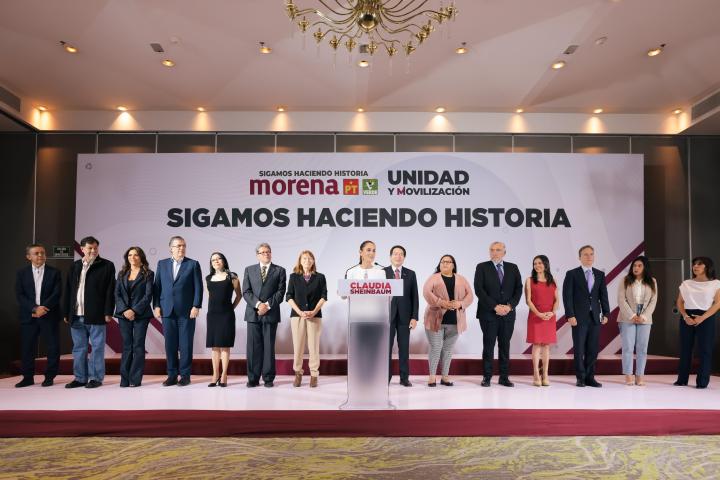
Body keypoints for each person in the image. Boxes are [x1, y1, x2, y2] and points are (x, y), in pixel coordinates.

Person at [64, 236, 116, 389]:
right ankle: (80, 378)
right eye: (90, 248)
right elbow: (68, 290)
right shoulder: (74, 266)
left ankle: (95, 378)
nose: (93, 251)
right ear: (82, 249)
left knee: (97, 348)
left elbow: (110, 291)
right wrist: (67, 312)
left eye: (95, 248)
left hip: (97, 315)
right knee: (78, 348)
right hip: (76, 315)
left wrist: (108, 311)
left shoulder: (107, 265)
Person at [153, 236, 203, 387]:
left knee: (186, 345)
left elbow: (198, 287)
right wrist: (156, 305)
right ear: (171, 248)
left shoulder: (193, 264)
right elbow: (157, 287)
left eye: (184, 245)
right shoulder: (162, 264)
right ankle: (172, 375)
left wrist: (196, 306)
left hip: (186, 312)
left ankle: (185, 376)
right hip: (167, 311)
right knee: (170, 345)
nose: (182, 248)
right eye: (178, 245)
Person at [474, 241, 523, 387]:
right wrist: (495, 306)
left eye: (498, 250)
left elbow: (518, 289)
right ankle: (487, 377)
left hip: (508, 314)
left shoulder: (513, 268)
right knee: (488, 346)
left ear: (504, 252)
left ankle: (504, 377)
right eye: (492, 250)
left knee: (505, 346)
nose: (494, 252)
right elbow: (479, 290)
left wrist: (510, 306)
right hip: (488, 314)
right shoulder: (482, 267)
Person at [14, 244, 62, 388]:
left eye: (42, 253)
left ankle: (49, 377)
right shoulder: (21, 273)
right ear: (28, 257)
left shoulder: (55, 272)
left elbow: (57, 293)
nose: (40, 255)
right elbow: (20, 295)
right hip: (29, 316)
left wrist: (43, 308)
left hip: (49, 315)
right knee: (27, 348)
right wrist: (35, 308)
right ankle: (28, 377)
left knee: (52, 347)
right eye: (36, 253)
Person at [562, 245, 610, 388]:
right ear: (579, 257)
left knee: (593, 349)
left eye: (591, 254)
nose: (589, 257)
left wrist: (606, 313)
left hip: (595, 317)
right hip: (578, 318)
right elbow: (567, 296)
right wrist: (570, 315)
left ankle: (590, 377)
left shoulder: (599, 274)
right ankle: (580, 377)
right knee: (579, 349)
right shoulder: (572, 274)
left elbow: (603, 295)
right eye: (585, 254)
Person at [423, 254, 474, 387]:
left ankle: (445, 377)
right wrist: (441, 303)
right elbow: (426, 292)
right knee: (435, 348)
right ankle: (432, 377)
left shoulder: (461, 279)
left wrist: (460, 303)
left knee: (448, 349)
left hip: (455, 321)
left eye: (448, 262)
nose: (445, 264)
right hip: (435, 319)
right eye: (442, 262)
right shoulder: (433, 278)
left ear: (453, 265)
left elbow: (470, 296)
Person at [242, 243, 287, 388]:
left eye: (268, 251)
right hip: (253, 313)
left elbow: (281, 292)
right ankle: (253, 378)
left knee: (268, 347)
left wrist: (266, 306)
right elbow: (246, 291)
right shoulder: (249, 270)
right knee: (253, 347)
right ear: (257, 255)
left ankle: (268, 378)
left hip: (270, 313)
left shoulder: (280, 270)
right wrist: (258, 305)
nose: (266, 254)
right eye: (262, 252)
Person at [675, 256, 720, 389]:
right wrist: (685, 316)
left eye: (699, 264)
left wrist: (702, 318)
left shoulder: (715, 283)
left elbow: (718, 303)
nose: (695, 266)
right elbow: (679, 302)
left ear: (707, 267)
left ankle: (702, 382)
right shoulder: (686, 283)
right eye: (694, 264)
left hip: (706, 317)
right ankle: (682, 380)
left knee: (705, 350)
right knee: (685, 349)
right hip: (687, 317)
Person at [114, 246, 154, 387]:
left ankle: (135, 379)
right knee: (127, 346)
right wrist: (125, 310)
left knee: (138, 346)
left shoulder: (148, 274)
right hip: (123, 314)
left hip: (141, 315)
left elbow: (148, 295)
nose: (132, 257)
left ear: (141, 257)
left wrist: (134, 311)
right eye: (130, 255)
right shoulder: (121, 273)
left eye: (136, 255)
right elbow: (117, 294)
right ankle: (124, 379)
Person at [286, 250, 327, 388]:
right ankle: (298, 373)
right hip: (297, 316)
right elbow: (289, 296)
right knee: (298, 346)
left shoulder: (320, 277)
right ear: (300, 261)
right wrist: (300, 312)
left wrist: (314, 311)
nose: (307, 261)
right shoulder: (293, 277)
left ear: (313, 261)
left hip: (314, 316)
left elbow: (324, 296)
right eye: (304, 258)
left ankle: (314, 375)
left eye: (310, 258)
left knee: (313, 346)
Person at [617, 255, 658, 386]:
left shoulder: (652, 281)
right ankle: (628, 375)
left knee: (642, 348)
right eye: (634, 265)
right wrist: (632, 315)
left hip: (645, 319)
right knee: (628, 347)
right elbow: (621, 300)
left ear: (645, 267)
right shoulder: (625, 280)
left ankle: (639, 375)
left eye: (639, 265)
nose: (636, 268)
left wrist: (643, 316)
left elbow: (653, 301)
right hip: (627, 318)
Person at [384, 245, 419, 387]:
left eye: (401, 254)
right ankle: (385, 378)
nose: (398, 256)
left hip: (405, 317)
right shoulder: (382, 272)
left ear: (404, 257)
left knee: (404, 349)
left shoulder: (410, 274)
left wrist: (414, 317)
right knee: (386, 348)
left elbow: (415, 297)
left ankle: (404, 378)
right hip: (386, 316)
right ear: (390, 256)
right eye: (395, 254)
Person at [205, 252, 242, 388]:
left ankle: (224, 375)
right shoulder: (208, 278)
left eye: (218, 258)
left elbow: (239, 295)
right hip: (212, 315)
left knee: (225, 346)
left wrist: (231, 308)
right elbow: (210, 297)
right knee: (214, 346)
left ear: (224, 261)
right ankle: (215, 375)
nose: (216, 261)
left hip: (226, 315)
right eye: (213, 260)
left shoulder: (232, 277)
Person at [524, 255, 559, 387]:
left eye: (539, 263)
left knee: (546, 345)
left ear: (545, 264)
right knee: (537, 345)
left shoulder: (553, 280)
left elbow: (557, 300)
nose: (537, 266)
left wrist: (552, 312)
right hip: (535, 315)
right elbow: (528, 300)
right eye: (535, 263)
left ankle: (545, 374)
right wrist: (538, 313)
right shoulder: (529, 280)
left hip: (549, 316)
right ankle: (536, 374)